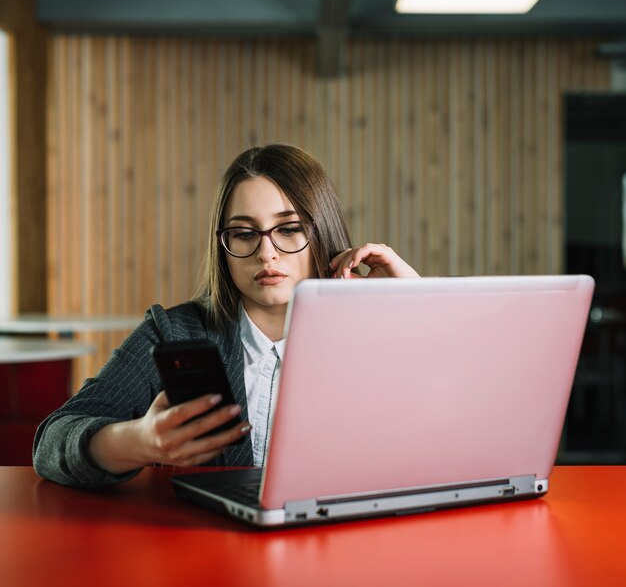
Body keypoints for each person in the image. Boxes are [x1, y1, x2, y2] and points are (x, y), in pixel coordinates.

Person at [33, 144, 419, 488]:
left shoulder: (377, 335)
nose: (266, 253)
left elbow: (464, 435)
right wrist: (139, 442)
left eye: (288, 229)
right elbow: (52, 442)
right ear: (224, 245)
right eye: (243, 233)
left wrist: (421, 309)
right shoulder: (175, 333)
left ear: (322, 233)